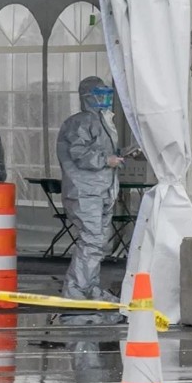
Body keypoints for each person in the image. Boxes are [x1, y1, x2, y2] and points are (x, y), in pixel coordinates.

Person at [57, 76, 122, 303]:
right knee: (91, 241)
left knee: (98, 242)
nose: (105, 99)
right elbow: (79, 153)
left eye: (106, 94)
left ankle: (89, 288)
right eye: (99, 95)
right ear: (87, 97)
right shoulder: (80, 122)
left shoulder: (102, 121)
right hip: (85, 193)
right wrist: (106, 159)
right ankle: (75, 291)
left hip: (101, 191)